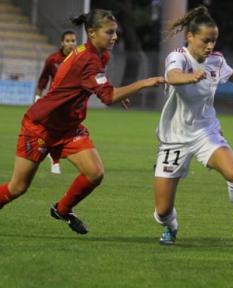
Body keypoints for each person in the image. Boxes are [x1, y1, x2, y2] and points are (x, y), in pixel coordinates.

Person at [0, 9, 164, 234]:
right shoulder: (88, 58)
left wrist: (117, 93)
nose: (115, 37)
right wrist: (143, 83)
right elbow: (107, 96)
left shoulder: (98, 54)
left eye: (116, 32)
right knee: (18, 187)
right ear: (92, 33)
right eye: (110, 33)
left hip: (68, 127)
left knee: (94, 172)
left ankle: (62, 209)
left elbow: (100, 86)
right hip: (41, 126)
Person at [153, 6, 233, 245]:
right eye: (205, 40)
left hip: (206, 131)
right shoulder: (178, 57)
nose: (210, 46)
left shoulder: (216, 60)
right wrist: (189, 77)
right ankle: (170, 226)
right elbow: (172, 76)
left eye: (213, 41)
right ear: (190, 37)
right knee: (162, 210)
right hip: (174, 138)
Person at [34, 30, 78, 174]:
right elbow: (43, 79)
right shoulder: (53, 59)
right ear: (62, 42)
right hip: (54, 101)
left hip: (71, 103)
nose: (71, 44)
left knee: (62, 132)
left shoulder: (79, 58)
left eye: (73, 41)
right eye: (68, 41)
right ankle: (55, 161)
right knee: (55, 131)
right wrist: (37, 97)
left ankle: (47, 151)